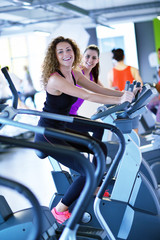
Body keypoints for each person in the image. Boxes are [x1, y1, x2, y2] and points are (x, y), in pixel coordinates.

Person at [34, 36, 135, 224]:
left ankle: (95, 186)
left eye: (68, 50)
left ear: (74, 52)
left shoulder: (74, 73)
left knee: (99, 147)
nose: (66, 54)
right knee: (86, 170)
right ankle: (60, 209)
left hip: (62, 128)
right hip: (49, 134)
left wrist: (124, 94)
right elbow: (86, 95)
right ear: (54, 57)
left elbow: (96, 88)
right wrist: (120, 100)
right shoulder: (55, 79)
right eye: (61, 51)